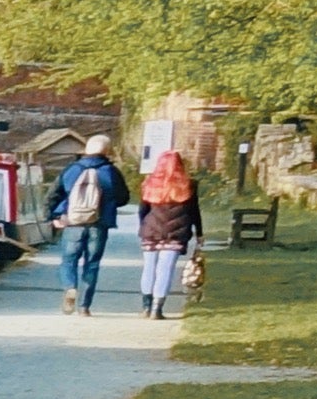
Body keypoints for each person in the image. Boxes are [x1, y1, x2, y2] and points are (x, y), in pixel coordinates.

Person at [49, 135, 128, 314]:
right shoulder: (111, 171)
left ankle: (70, 287)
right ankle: (84, 306)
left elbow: (53, 194)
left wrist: (52, 216)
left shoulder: (71, 169)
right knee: (91, 264)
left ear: (86, 150)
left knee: (69, 260)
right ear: (106, 151)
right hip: (99, 224)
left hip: (73, 223)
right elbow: (123, 198)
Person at [135, 144, 204, 321]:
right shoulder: (189, 185)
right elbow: (194, 211)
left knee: (149, 268)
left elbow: (143, 210)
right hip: (176, 232)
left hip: (150, 231)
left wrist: (143, 226)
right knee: (165, 269)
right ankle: (157, 309)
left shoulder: (149, 183)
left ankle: (146, 306)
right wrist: (199, 232)